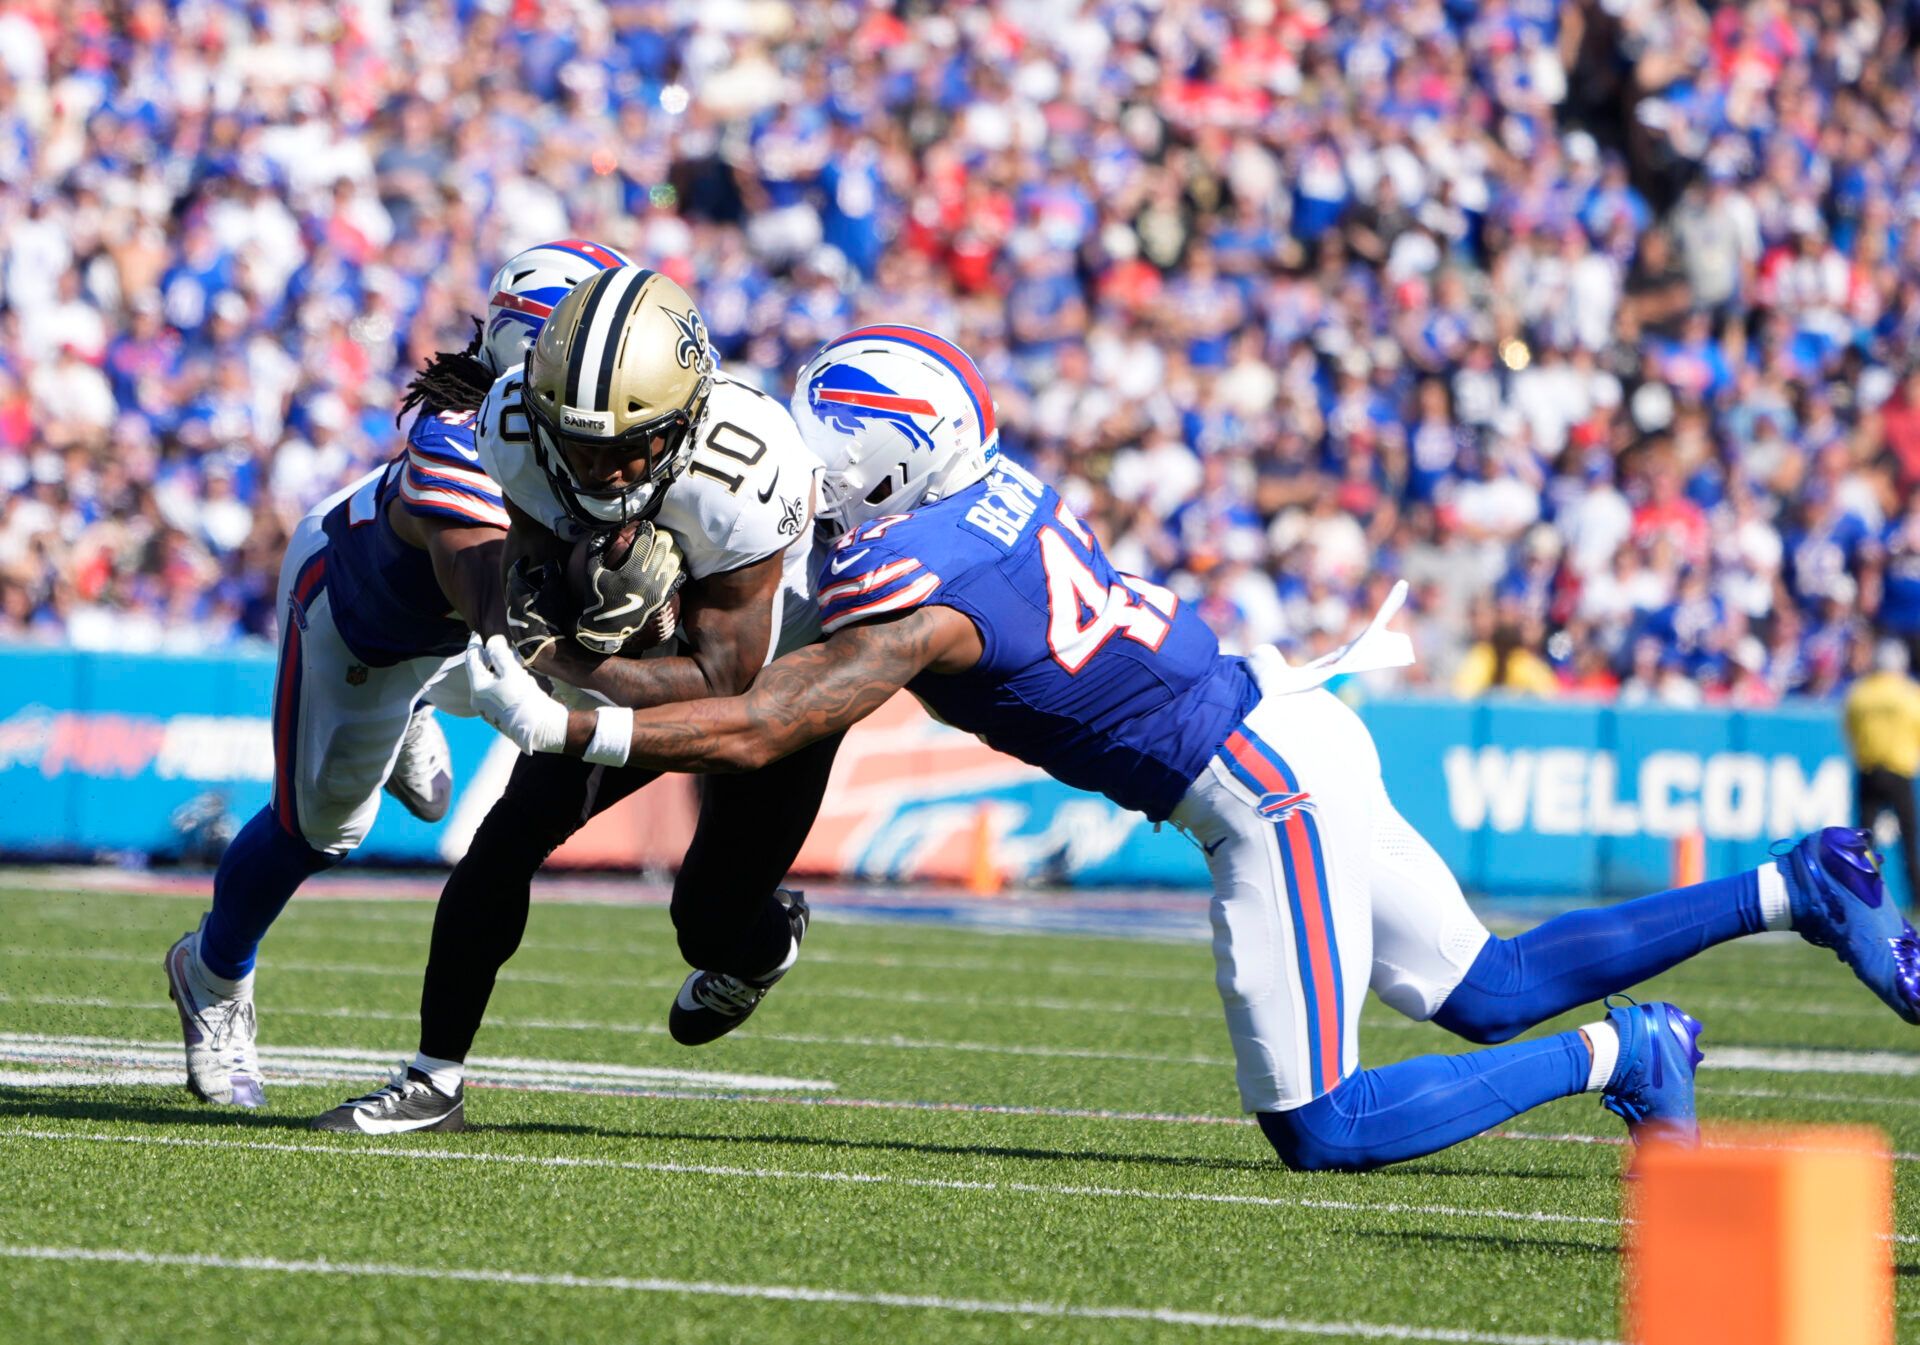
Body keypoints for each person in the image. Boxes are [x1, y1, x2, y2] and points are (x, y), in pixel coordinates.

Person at [466, 325, 1920, 1170]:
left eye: (827, 436)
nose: (802, 451)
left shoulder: (913, 593)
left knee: (1322, 1127)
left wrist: (574, 719)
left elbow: (782, 713)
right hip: (1288, 717)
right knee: (1485, 988)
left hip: (1259, 786)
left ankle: (1624, 1053)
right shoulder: (971, 504)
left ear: (887, 461)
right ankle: (1803, 884)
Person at [314, 269, 842, 1135]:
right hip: (642, 652)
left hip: (781, 676)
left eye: (631, 446)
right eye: (582, 445)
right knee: (505, 839)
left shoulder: (745, 469)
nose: (604, 467)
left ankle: (764, 941)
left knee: (708, 927)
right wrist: (547, 599)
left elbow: (724, 683)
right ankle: (432, 1078)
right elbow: (530, 549)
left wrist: (564, 655)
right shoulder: (516, 422)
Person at [162, 240, 633, 1109]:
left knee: (481, 717)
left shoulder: (597, 428)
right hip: (365, 621)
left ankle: (417, 703)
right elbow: (494, 603)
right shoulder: (459, 436)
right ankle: (213, 971)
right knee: (324, 831)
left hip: (454, 632)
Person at [1844, 638, 1920, 908]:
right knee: (1909, 839)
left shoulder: (1860, 692)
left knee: (1864, 840)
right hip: (1899, 770)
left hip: (1869, 770)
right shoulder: (1910, 693)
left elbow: (1850, 728)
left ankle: (1863, 892)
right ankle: (1916, 895)